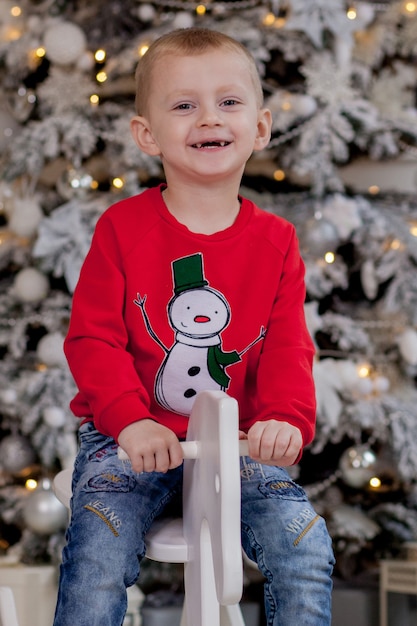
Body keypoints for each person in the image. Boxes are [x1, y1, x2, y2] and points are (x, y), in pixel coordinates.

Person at [53, 27, 334, 626]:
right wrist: (130, 422)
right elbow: (92, 340)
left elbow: (288, 345)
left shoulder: (276, 242)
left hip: (234, 445)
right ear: (147, 135)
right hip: (129, 439)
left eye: (228, 102)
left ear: (259, 127)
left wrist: (285, 417)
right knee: (99, 547)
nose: (209, 118)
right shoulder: (123, 230)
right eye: (185, 105)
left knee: (304, 542)